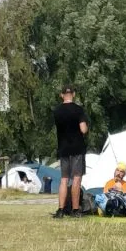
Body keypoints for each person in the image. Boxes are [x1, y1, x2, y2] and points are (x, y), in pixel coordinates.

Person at [53, 84, 89, 217]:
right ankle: (75, 209)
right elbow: (83, 129)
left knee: (64, 179)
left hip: (63, 148)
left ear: (61, 95)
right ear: (73, 94)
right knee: (76, 178)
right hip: (77, 148)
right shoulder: (79, 110)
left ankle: (61, 210)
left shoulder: (57, 111)